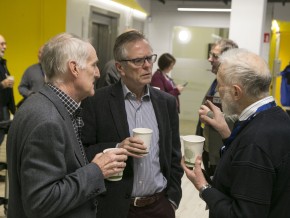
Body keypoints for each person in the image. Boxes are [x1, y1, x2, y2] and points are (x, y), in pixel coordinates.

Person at [6, 33, 128, 218]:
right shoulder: (47, 120)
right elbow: (41, 202)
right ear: (74, 68)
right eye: (93, 65)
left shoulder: (44, 105)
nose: (98, 73)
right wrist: (96, 170)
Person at [81, 30, 183, 218]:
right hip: (116, 208)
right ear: (120, 68)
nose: (147, 66)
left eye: (149, 58)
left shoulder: (166, 102)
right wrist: (117, 147)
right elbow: (82, 151)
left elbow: (174, 155)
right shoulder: (97, 102)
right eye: (138, 61)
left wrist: (172, 200)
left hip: (159, 206)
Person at [182, 48, 290, 217]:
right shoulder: (277, 117)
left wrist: (203, 186)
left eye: (219, 85)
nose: (217, 90)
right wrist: (226, 133)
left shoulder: (255, 142)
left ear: (236, 92)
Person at [196, 39, 239, 177]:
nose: (209, 59)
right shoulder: (217, 81)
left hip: (224, 153)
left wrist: (209, 115)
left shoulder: (236, 85)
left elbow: (241, 119)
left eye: (214, 56)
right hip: (210, 151)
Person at [0, 34, 15, 145]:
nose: (5, 47)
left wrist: (13, 110)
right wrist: (2, 85)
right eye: (2, 44)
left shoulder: (3, 64)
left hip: (3, 110)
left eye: (5, 44)